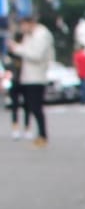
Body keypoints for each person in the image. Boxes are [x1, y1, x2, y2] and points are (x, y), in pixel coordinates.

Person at [12, 16, 56, 148]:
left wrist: (17, 48)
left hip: (36, 77)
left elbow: (36, 55)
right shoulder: (29, 35)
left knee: (36, 108)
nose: (22, 29)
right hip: (27, 77)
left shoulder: (41, 35)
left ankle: (43, 134)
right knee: (31, 107)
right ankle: (40, 134)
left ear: (30, 24)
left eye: (23, 25)